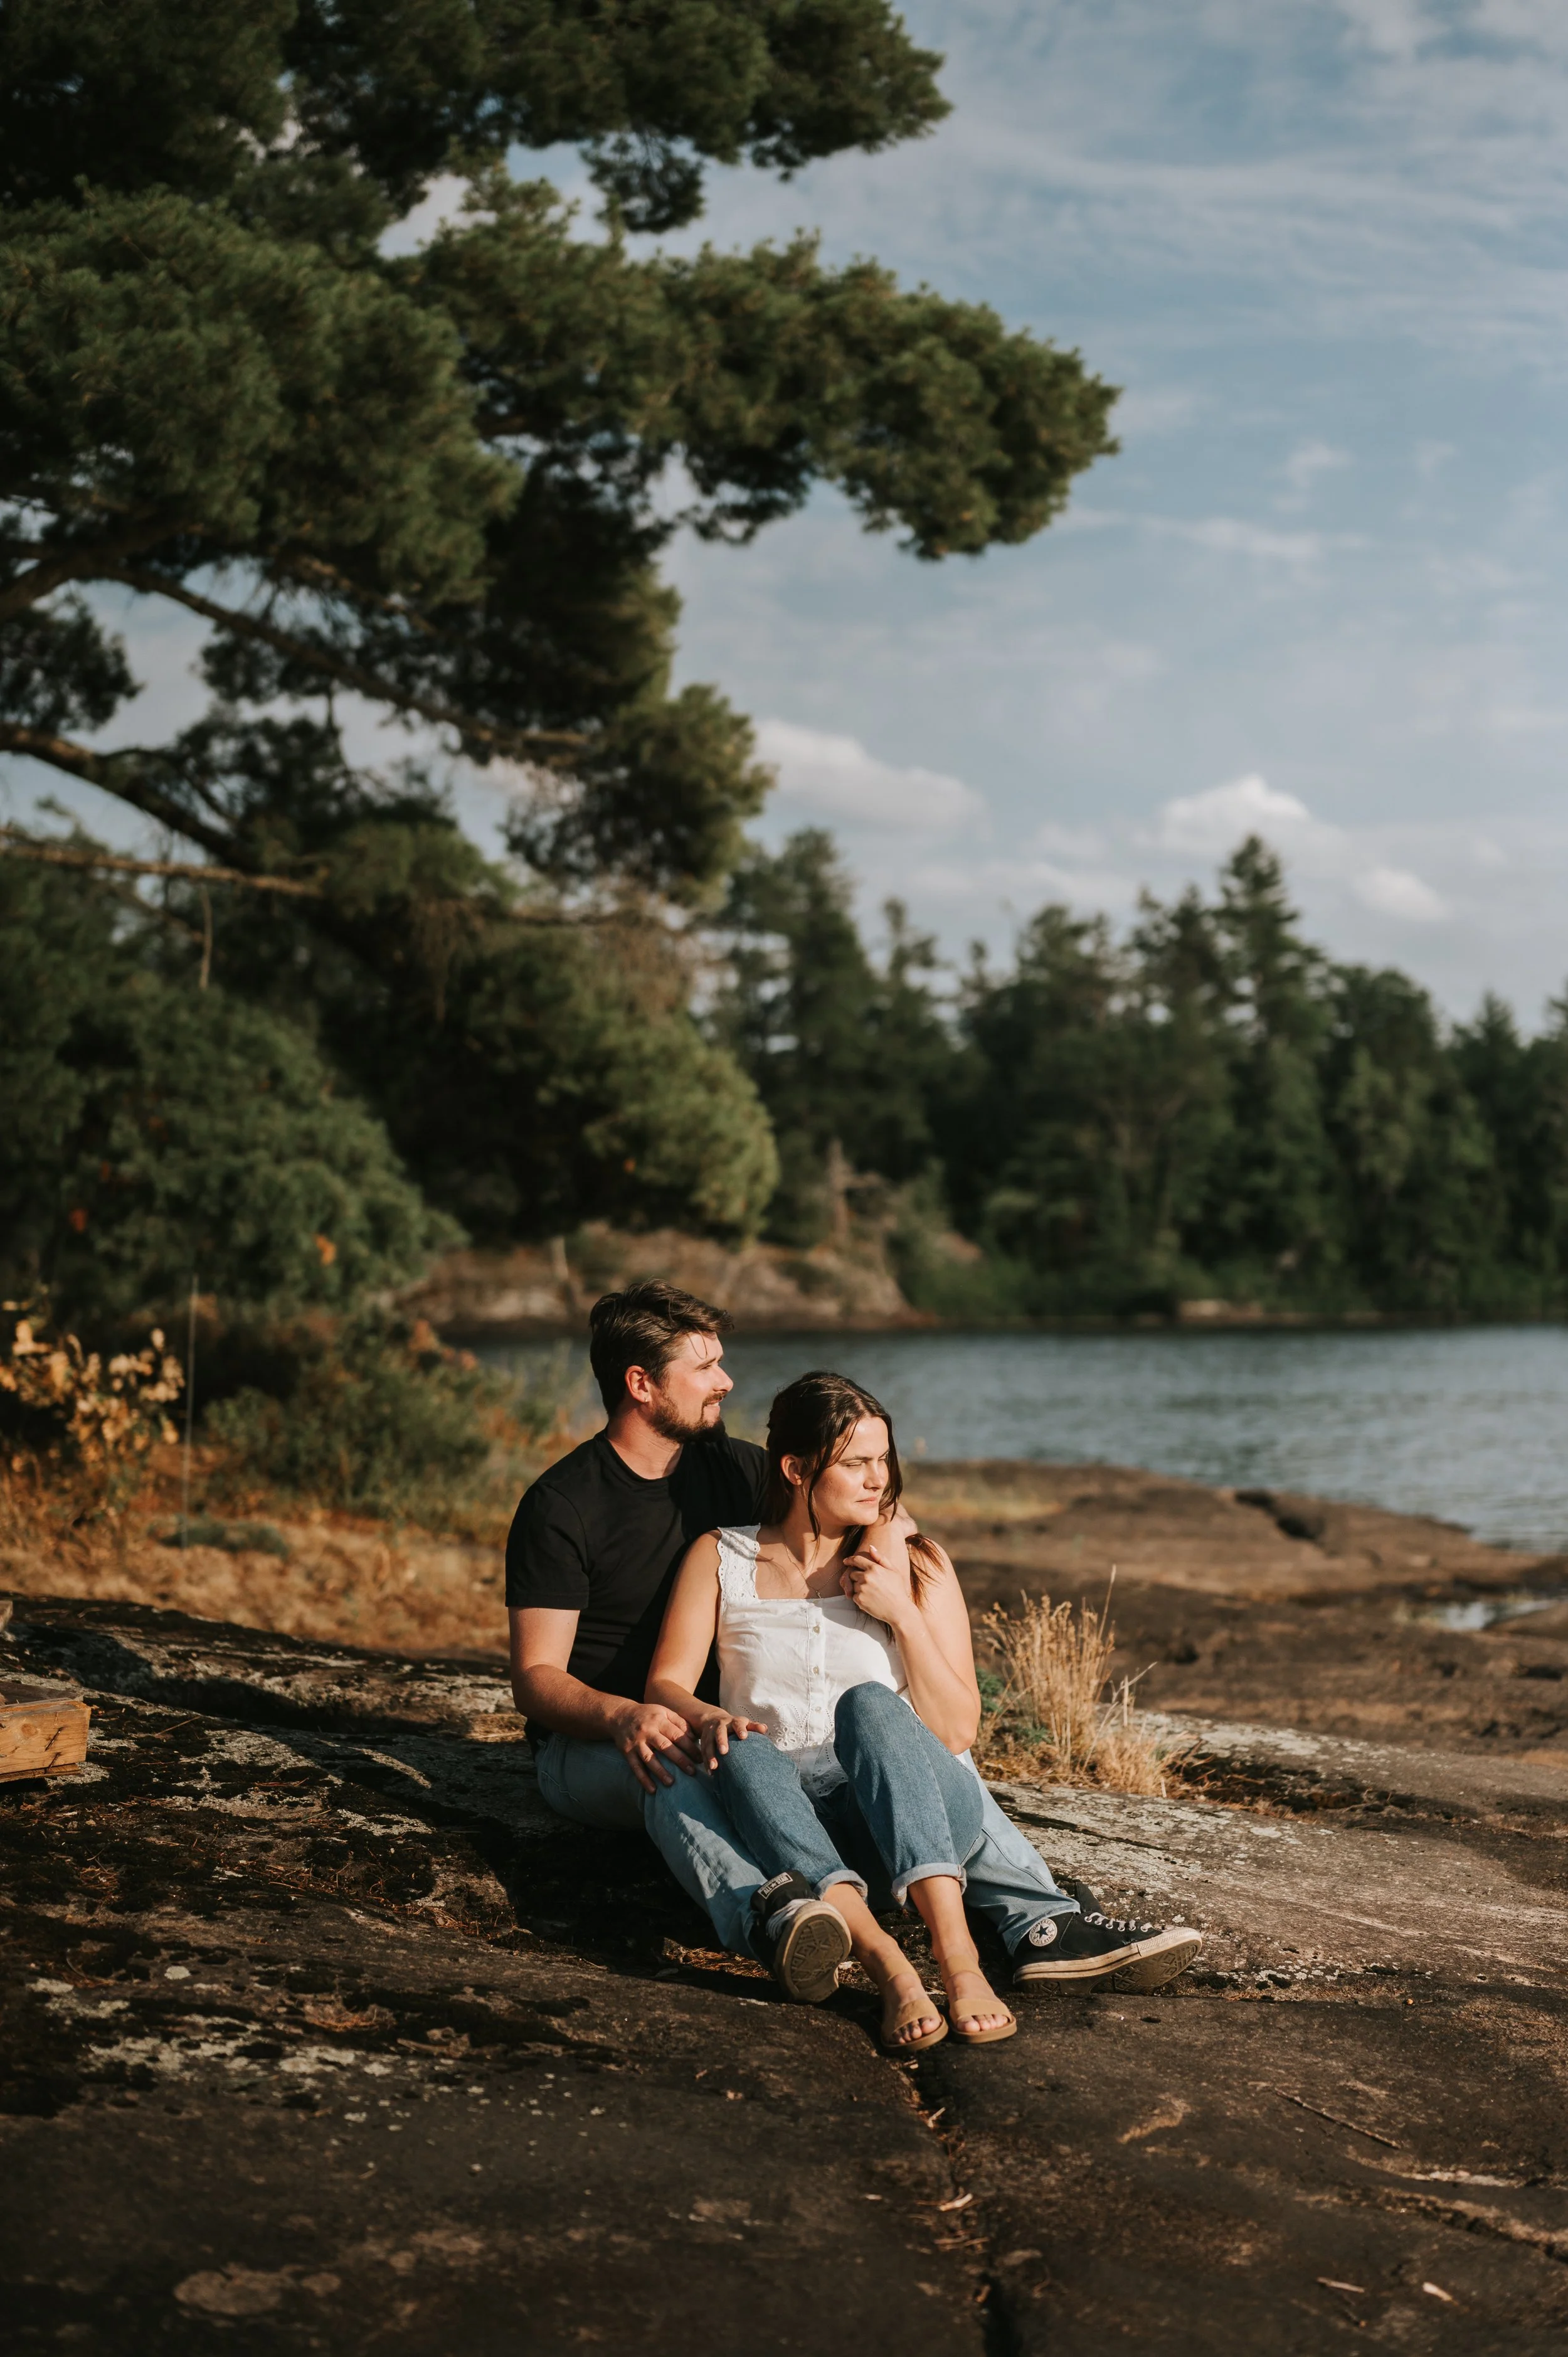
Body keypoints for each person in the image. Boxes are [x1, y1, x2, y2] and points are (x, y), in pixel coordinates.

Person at [506, 1282, 1105, 2006]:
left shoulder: (732, 1465)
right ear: (640, 1383)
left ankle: (1036, 1920)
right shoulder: (563, 1504)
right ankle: (775, 1916)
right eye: (705, 1367)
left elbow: (863, 1494)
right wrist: (623, 1715)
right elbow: (535, 1676)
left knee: (888, 1723)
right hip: (599, 1738)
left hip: (714, 1722)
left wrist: (894, 1573)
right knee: (681, 1763)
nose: (725, 1380)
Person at [647, 1371, 1203, 2049]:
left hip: (915, 1817)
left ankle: (958, 1959)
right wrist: (707, 1716)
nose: (877, 1478)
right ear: (794, 1469)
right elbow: (667, 1684)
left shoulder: (916, 1565)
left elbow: (957, 1730)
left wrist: (902, 1615)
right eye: (855, 1462)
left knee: (872, 1708)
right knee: (744, 1749)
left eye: (883, 1459)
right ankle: (890, 1969)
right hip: (793, 1834)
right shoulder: (720, 1556)